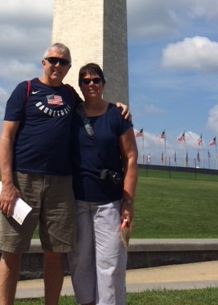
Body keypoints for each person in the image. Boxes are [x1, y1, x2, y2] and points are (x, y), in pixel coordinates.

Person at [0, 44, 130, 305]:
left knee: (55, 252)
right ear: (43, 62)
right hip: (24, 180)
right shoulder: (25, 90)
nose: (57, 65)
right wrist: (8, 183)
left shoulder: (69, 95)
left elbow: (94, 104)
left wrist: (118, 107)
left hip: (61, 184)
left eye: (63, 62)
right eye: (53, 60)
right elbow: (6, 137)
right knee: (11, 250)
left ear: (68, 67)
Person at [68, 63, 138, 305]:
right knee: (80, 263)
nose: (91, 84)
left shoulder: (117, 115)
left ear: (103, 83)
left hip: (109, 202)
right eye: (86, 81)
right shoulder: (71, 116)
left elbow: (130, 158)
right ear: (80, 86)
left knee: (111, 263)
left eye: (96, 80)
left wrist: (128, 201)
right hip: (77, 200)